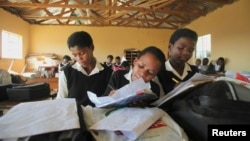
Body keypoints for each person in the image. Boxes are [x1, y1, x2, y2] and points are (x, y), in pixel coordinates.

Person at [56, 31, 113, 106]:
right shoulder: (67, 74)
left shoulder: (108, 73)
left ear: (92, 48)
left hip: (101, 116)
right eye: (74, 55)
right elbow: (61, 102)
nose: (79, 58)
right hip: (76, 117)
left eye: (82, 53)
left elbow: (112, 100)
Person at [157, 28, 199, 94]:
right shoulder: (159, 71)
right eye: (181, 48)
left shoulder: (194, 71)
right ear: (170, 47)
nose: (186, 53)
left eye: (190, 50)